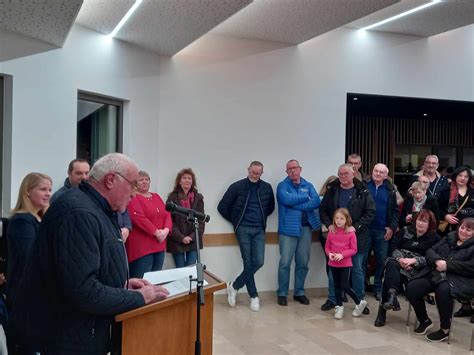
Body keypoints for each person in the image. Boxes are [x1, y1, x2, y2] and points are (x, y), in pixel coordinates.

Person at [8, 153, 169, 354]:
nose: (134, 193)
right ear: (111, 180)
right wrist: (138, 298)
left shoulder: (96, 208)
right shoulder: (78, 212)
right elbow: (82, 290)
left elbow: (82, 271)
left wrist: (120, 285)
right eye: (133, 185)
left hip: (78, 333)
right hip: (64, 339)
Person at [405, 218, 474, 342]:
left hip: (460, 279)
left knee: (443, 292)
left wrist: (448, 265)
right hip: (436, 273)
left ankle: (445, 329)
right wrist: (437, 261)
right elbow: (430, 251)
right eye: (462, 228)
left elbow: (471, 267)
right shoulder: (450, 237)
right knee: (412, 287)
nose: (463, 231)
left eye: (468, 230)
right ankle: (424, 320)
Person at [218, 161, 274, 311]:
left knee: (259, 261)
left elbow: (270, 208)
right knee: (248, 262)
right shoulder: (237, 186)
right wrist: (237, 221)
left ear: (262, 173)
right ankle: (254, 296)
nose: (255, 175)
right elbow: (222, 207)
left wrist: (259, 220)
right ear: (248, 170)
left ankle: (235, 286)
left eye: (258, 173)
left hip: (259, 229)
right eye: (252, 172)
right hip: (243, 228)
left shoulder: (267, 188)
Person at [6, 173, 52, 354]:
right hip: (26, 297)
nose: (48, 193)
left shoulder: (39, 219)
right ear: (27, 192)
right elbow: (30, 258)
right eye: (43, 189)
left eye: (49, 189)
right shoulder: (23, 221)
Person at [320, 164, 375, 312]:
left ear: (353, 174)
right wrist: (328, 223)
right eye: (340, 174)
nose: (343, 177)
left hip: (356, 238)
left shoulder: (363, 190)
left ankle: (360, 302)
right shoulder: (332, 190)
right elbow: (323, 209)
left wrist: (355, 227)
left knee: (357, 270)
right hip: (336, 240)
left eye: (346, 174)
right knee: (333, 271)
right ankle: (333, 300)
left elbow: (370, 212)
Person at [374, 210, 440, 327]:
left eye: (424, 221)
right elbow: (393, 247)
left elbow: (432, 259)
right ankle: (389, 300)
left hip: (417, 270)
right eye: (419, 220)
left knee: (389, 274)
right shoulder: (405, 230)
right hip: (399, 263)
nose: (420, 223)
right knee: (391, 265)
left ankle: (388, 302)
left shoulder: (435, 238)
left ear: (430, 224)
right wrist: (401, 260)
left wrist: (413, 262)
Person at [276, 159, 320, 306]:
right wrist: (304, 198)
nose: (293, 171)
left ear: (300, 169)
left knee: (303, 262)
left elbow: (316, 202)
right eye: (290, 169)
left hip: (306, 229)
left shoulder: (308, 185)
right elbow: (286, 199)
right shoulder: (282, 186)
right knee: (285, 263)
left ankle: (299, 292)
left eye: (295, 168)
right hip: (288, 230)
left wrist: (295, 204)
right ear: (286, 172)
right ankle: (282, 293)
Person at [126, 170, 172, 278]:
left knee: (155, 280)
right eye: (141, 180)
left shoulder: (156, 196)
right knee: (141, 281)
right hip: (142, 248)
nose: (144, 182)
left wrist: (165, 231)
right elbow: (138, 217)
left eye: (147, 179)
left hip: (159, 244)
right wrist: (156, 232)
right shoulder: (133, 197)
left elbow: (167, 214)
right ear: (135, 183)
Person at [364, 163, 400, 300]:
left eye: (381, 172)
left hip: (382, 230)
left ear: (386, 175)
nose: (378, 174)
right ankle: (360, 288)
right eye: (376, 171)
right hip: (365, 229)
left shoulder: (390, 189)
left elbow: (396, 211)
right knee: (362, 260)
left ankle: (378, 288)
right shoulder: (364, 185)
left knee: (381, 261)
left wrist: (391, 227)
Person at [325, 208, 367, 319]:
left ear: (346, 220)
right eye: (337, 218)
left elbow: (354, 249)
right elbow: (327, 247)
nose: (339, 221)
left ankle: (359, 302)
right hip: (333, 263)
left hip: (345, 263)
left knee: (345, 285)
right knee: (336, 285)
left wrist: (342, 255)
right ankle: (339, 307)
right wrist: (330, 254)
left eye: (342, 218)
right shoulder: (331, 231)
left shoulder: (351, 233)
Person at [167, 168, 205, 268]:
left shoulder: (198, 198)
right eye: (184, 178)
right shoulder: (172, 198)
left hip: (193, 240)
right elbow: (169, 220)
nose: (187, 180)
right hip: (176, 240)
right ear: (179, 181)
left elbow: (201, 221)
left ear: (192, 182)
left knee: (190, 271)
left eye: (189, 178)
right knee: (180, 271)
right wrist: (181, 237)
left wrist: (191, 237)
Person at [439, 166, 474, 233]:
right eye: (460, 175)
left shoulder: (472, 192)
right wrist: (445, 216)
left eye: (466, 176)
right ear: (455, 176)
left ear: (469, 179)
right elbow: (438, 208)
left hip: (471, 228)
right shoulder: (446, 192)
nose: (462, 178)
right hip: (451, 228)